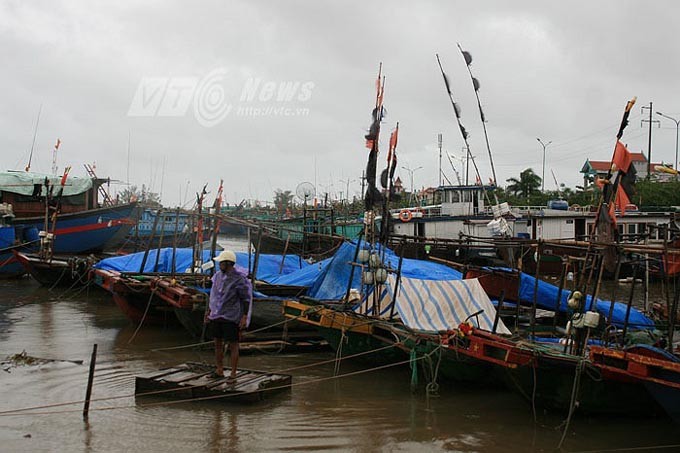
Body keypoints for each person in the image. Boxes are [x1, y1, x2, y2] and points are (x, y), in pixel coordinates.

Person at [204, 250, 252, 380]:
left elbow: (246, 299)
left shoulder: (239, 279)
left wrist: (244, 316)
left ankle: (233, 373)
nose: (219, 265)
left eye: (221, 263)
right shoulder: (217, 276)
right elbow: (213, 296)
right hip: (217, 314)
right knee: (217, 342)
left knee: (233, 344)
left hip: (231, 316)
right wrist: (209, 311)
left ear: (228, 263)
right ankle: (219, 370)